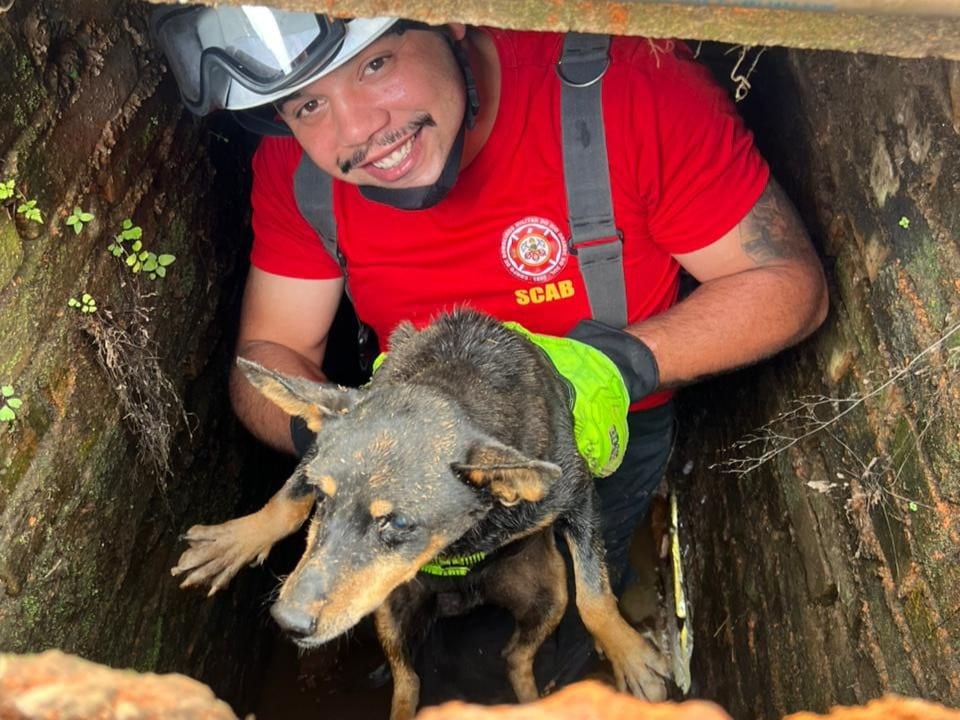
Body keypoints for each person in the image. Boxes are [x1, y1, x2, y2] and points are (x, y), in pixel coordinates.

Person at [151, 5, 828, 705]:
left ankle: (555, 668)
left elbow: (789, 284)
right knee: (421, 640)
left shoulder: (629, 92)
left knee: (544, 626)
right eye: (308, 104)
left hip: (601, 428)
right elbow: (272, 351)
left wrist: (617, 366)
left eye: (376, 65)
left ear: (450, 22)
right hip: (402, 461)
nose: (357, 133)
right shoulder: (299, 169)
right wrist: (347, 438)